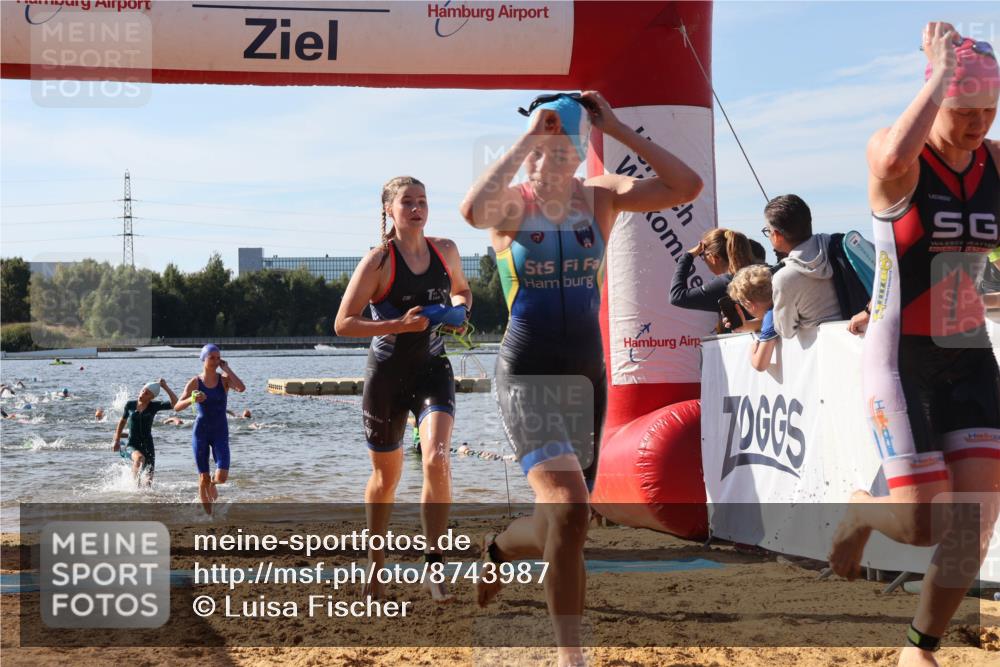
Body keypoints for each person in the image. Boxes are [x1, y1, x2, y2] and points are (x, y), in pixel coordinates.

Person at [460, 90, 702, 666]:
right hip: (527, 372)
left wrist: (615, 128)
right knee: (568, 511)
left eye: (565, 154)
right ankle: (573, 657)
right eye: (542, 154)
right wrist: (529, 135)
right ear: (528, 157)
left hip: (585, 378)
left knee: (562, 524)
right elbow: (472, 211)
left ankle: (497, 549)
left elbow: (684, 187)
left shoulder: (599, 198)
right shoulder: (511, 207)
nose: (553, 166)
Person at [829, 24, 999, 667]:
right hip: (901, 356)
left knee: (977, 520)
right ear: (935, 101)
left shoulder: (997, 163)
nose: (978, 123)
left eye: (989, 109)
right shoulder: (896, 154)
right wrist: (937, 73)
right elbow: (891, 161)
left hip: (969, 351)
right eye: (965, 111)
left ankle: (918, 649)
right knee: (924, 524)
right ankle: (864, 511)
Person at [335, 175, 473, 602]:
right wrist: (400, 324)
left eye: (423, 201)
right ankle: (374, 567)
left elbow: (463, 291)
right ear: (389, 211)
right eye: (407, 202)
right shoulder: (378, 261)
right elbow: (343, 323)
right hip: (387, 375)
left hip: (432, 367)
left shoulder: (445, 250)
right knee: (385, 479)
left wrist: (458, 312)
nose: (417, 208)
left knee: (436, 458)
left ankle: (435, 564)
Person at [174, 344, 246, 515]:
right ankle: (209, 517)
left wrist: (227, 368)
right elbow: (177, 407)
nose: (215, 361)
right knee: (203, 477)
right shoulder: (195, 382)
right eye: (211, 357)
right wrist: (193, 399)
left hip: (220, 431)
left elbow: (241, 388)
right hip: (201, 432)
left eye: (218, 357)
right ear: (203, 359)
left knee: (221, 477)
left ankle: (213, 485)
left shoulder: (224, 379)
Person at [762, 194, 843, 337]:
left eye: (767, 231)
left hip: (824, 351)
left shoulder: (784, 278)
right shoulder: (840, 244)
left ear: (776, 235)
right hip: (866, 337)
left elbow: (785, 331)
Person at [670, 228, 754, 333]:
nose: (704, 260)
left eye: (703, 256)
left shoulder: (725, 283)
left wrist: (686, 257)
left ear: (715, 257)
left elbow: (677, 296)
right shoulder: (764, 274)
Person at [112, 379, 178, 485]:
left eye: (147, 393)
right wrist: (116, 440)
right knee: (139, 458)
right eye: (143, 390)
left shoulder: (154, 406)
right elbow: (122, 422)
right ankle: (134, 489)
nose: (143, 393)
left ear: (151, 397)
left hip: (148, 445)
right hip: (132, 444)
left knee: (148, 482)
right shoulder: (130, 404)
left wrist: (165, 387)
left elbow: (175, 404)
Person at [727, 265, 779, 371]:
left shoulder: (771, 317)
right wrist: (745, 326)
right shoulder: (780, 305)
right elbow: (771, 324)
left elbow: (760, 364)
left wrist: (753, 349)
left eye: (743, 305)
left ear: (748, 304)